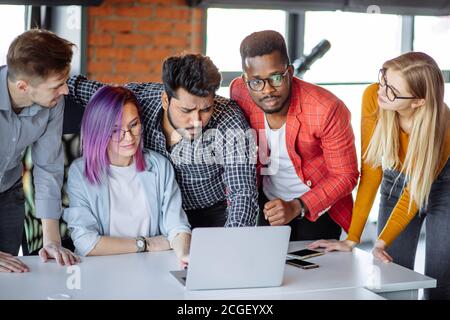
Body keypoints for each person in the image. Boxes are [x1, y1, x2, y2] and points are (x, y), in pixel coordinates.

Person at [309, 52, 450, 299]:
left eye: (392, 90)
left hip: (444, 188)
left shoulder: (442, 125)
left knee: (440, 282)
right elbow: (371, 171)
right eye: (383, 79)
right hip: (396, 179)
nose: (382, 91)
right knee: (391, 276)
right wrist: (352, 238)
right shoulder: (374, 97)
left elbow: (414, 194)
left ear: (418, 101)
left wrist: (381, 241)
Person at [68, 53, 258, 228]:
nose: (197, 121)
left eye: (206, 109)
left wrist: (233, 243)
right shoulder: (140, 99)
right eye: (186, 110)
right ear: (165, 100)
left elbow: (243, 192)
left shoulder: (230, 119)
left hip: (210, 214)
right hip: (156, 214)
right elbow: (84, 89)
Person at [230, 30, 359, 240]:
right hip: (267, 204)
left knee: (315, 273)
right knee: (266, 270)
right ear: (245, 80)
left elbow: (346, 175)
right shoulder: (239, 91)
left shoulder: (326, 108)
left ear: (289, 72)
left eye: (275, 77)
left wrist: (297, 206)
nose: (267, 90)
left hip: (317, 209)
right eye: (256, 82)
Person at [63, 86, 191, 267]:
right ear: (98, 132)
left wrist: (184, 254)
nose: (129, 137)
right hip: (98, 270)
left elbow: (177, 227)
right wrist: (147, 244)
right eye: (115, 130)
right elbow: (86, 243)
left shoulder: (159, 166)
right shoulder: (80, 172)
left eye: (133, 125)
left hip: (150, 268)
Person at [0, 29, 79, 272]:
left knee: (9, 274)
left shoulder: (53, 102)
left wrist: (52, 241)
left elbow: (48, 167)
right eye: (57, 85)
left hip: (9, 193)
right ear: (23, 86)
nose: (66, 90)